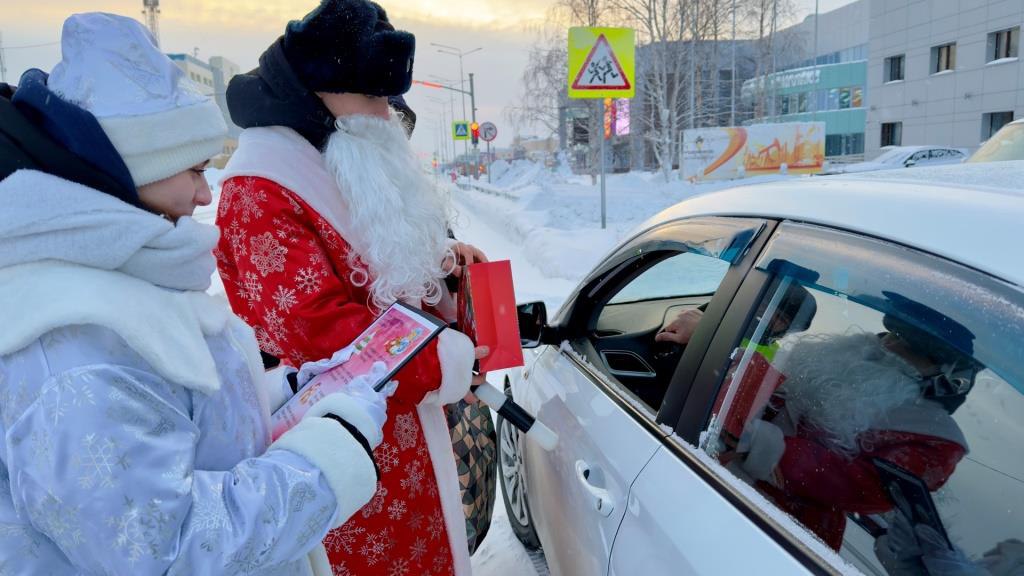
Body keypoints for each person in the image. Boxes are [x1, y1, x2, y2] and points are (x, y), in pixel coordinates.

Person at [0, 14, 389, 574]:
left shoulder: (120, 278)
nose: (207, 195)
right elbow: (165, 553)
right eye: (193, 170)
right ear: (135, 163)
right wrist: (322, 462)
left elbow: (176, 419)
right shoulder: (73, 341)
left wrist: (286, 397)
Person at [215, 1, 486, 573]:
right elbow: (313, 326)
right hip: (332, 441)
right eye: (376, 99)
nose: (388, 116)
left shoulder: (335, 154)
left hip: (402, 423)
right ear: (323, 92)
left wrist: (443, 272)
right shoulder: (260, 186)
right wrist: (438, 360)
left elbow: (383, 270)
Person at [724, 292, 975, 550]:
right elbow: (764, 384)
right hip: (723, 484)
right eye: (894, 334)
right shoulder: (835, 367)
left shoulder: (930, 436)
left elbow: (854, 484)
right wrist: (719, 349)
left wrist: (759, 442)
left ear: (943, 377)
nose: (888, 347)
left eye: (912, 350)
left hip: (779, 534)